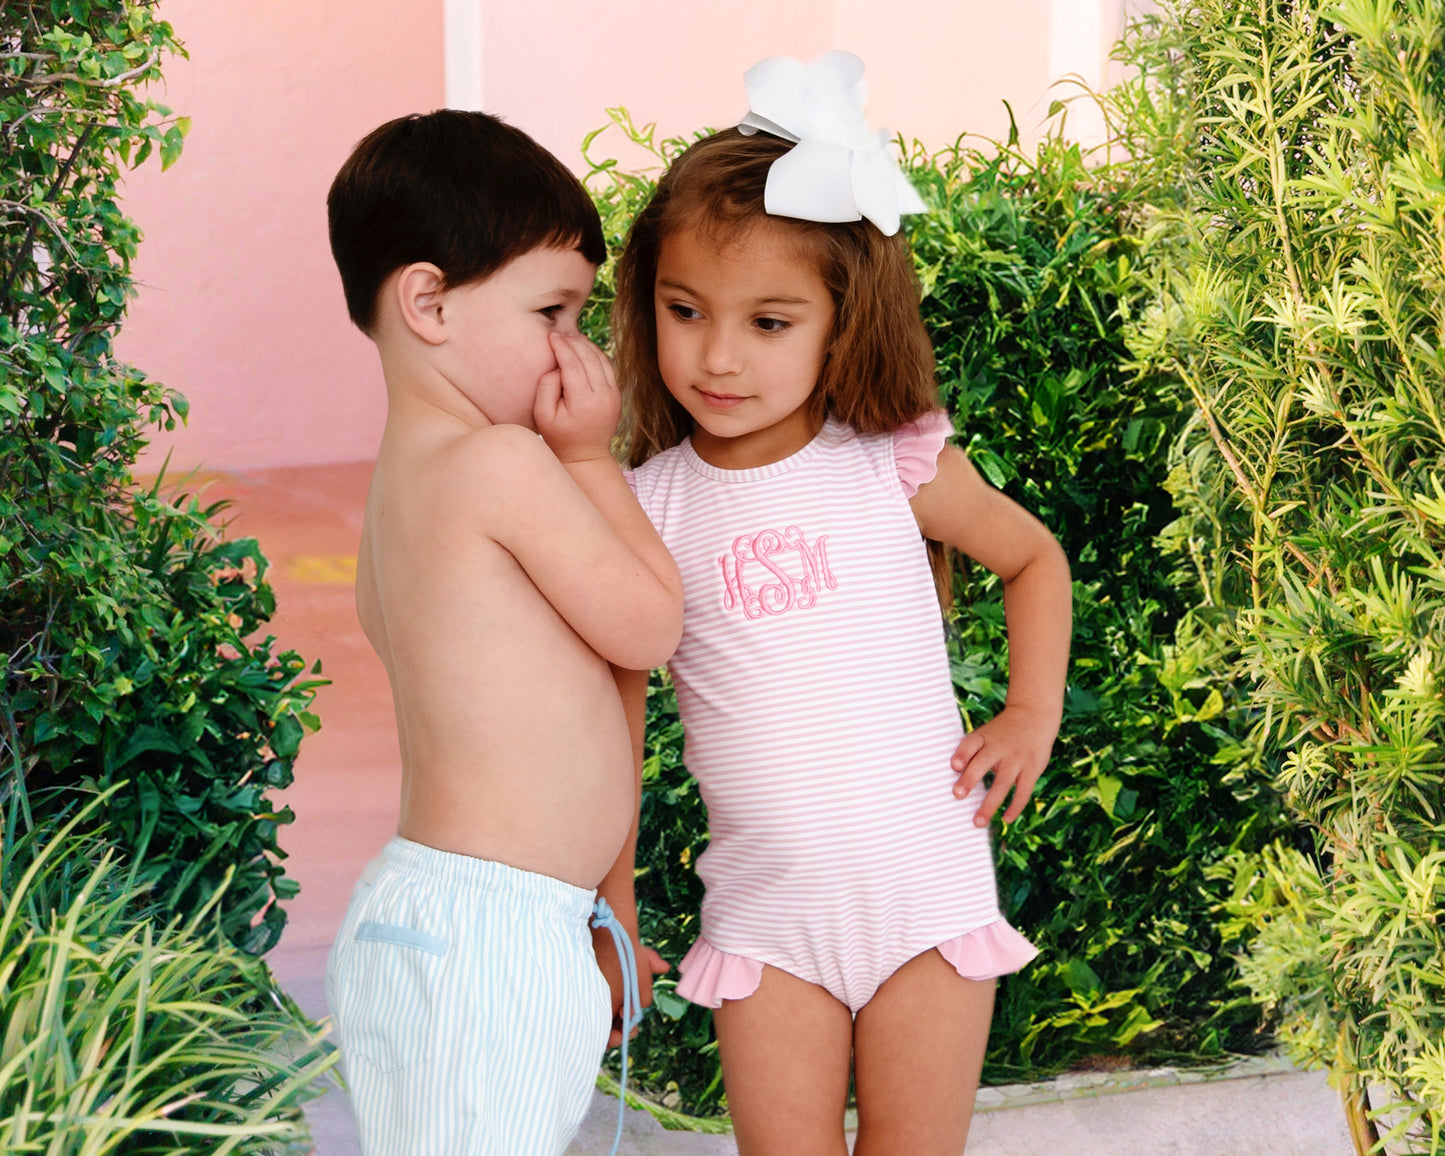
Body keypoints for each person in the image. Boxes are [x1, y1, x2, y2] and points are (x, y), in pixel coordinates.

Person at [612, 53, 1073, 1155]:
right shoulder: (645, 511)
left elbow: (1031, 559)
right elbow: (611, 723)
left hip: (925, 898)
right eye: (685, 311)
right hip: (768, 925)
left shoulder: (891, 464)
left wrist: (1028, 715)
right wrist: (616, 906)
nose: (717, 356)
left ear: (840, 320)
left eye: (768, 322)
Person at [321, 109, 683, 1156]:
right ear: (427, 300)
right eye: (554, 313)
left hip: (438, 917)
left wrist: (604, 912)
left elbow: (585, 689)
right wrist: (588, 458)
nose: (576, 352)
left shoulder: (395, 500)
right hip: (489, 936)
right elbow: (649, 625)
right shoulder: (507, 467)